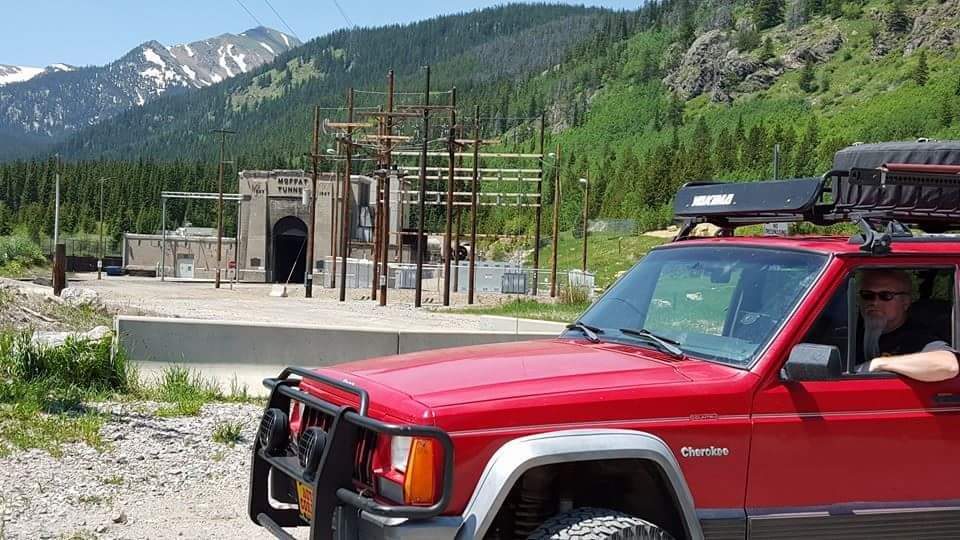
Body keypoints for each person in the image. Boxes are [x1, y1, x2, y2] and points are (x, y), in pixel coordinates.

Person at [857, 269, 960, 382]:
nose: (874, 302)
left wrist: (879, 363)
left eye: (886, 295)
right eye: (867, 295)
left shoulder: (917, 338)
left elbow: (949, 365)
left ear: (905, 302)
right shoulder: (850, 331)